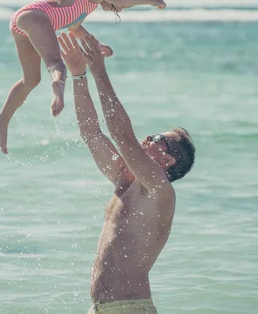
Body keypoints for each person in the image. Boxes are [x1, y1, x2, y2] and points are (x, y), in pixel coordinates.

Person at [58, 32, 196, 314]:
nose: (148, 136)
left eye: (157, 136)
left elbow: (123, 136)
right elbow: (91, 131)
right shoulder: (125, 178)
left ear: (168, 159)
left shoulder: (160, 191)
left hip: (129, 309)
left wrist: (99, 71)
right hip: (101, 309)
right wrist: (79, 76)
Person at [0, 0, 170, 154]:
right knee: (56, 64)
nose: (123, 7)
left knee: (31, 79)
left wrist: (97, 45)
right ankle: (58, 89)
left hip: (22, 22)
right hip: (35, 17)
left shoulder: (88, 2)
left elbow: (74, 27)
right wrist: (153, 0)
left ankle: (1, 120)